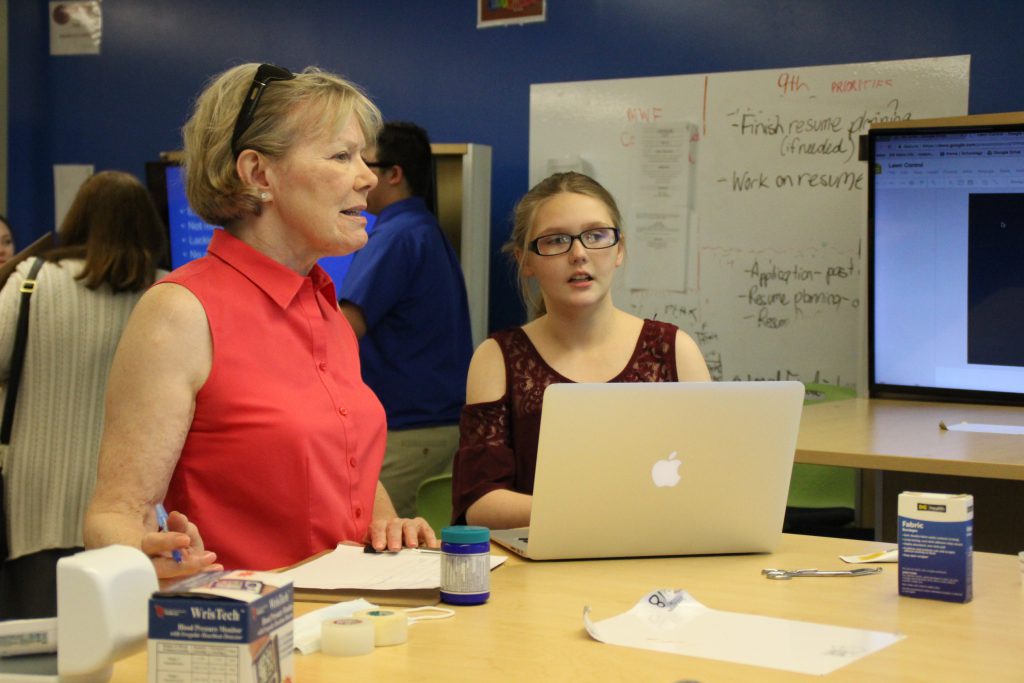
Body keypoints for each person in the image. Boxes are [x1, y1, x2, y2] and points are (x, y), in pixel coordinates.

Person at [84, 63, 436, 583]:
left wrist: (388, 526)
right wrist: (149, 558)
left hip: (347, 625)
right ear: (257, 174)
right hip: (242, 634)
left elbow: (351, 477)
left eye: (363, 157)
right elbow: (113, 515)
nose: (367, 176)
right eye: (342, 156)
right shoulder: (182, 312)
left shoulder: (327, 312)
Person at [451, 172, 712, 529]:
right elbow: (479, 503)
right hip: (541, 566)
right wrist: (596, 511)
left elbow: (714, 483)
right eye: (556, 240)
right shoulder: (497, 357)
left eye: (596, 236)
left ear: (619, 249)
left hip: (659, 555)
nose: (579, 254)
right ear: (525, 260)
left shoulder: (675, 350)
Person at [0, 171, 167, 618]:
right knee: (121, 641)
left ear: (77, 220)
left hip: (37, 495)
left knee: (34, 642)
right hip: (136, 506)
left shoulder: (31, 280)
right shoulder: (170, 292)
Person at [339, 122, 472, 518]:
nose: (357, 177)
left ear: (394, 174)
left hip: (410, 431)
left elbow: (346, 326)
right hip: (433, 426)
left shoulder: (396, 234)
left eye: (365, 162)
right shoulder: (425, 229)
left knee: (373, 540)